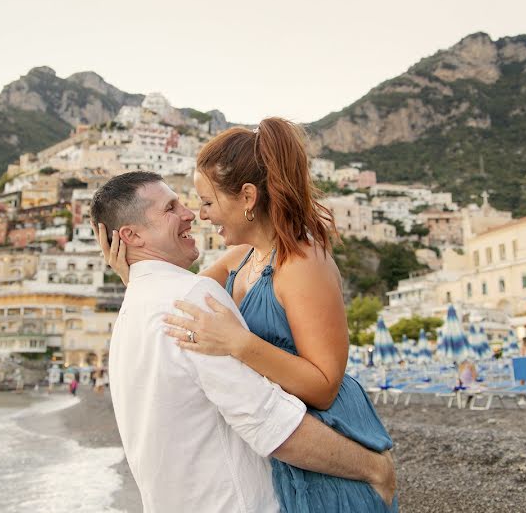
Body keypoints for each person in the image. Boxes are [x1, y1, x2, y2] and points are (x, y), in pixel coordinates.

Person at [96, 119, 396, 512]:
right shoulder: (241, 259)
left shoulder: (304, 264)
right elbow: (173, 294)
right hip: (291, 457)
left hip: (329, 437)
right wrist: (134, 271)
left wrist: (241, 344)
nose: (200, 215)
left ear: (248, 198)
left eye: (207, 202)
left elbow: (324, 386)